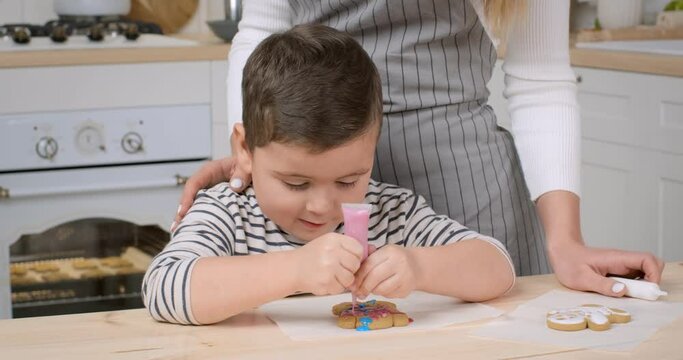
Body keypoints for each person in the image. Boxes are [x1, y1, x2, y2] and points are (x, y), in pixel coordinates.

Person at [174, 0, 664, 298]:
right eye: (298, 185)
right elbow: (261, 29)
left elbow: (540, 78)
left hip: (468, 184)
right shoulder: (277, 198)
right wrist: (261, 151)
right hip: (304, 140)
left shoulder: (407, 212)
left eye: (346, 180)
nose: (321, 198)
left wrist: (566, 240)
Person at [143, 24, 515, 325]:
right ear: (244, 150)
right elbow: (163, 289)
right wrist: (295, 269)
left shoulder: (391, 214)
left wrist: (419, 267)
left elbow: (498, 268)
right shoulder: (228, 213)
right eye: (295, 183)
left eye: (348, 180)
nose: (322, 207)